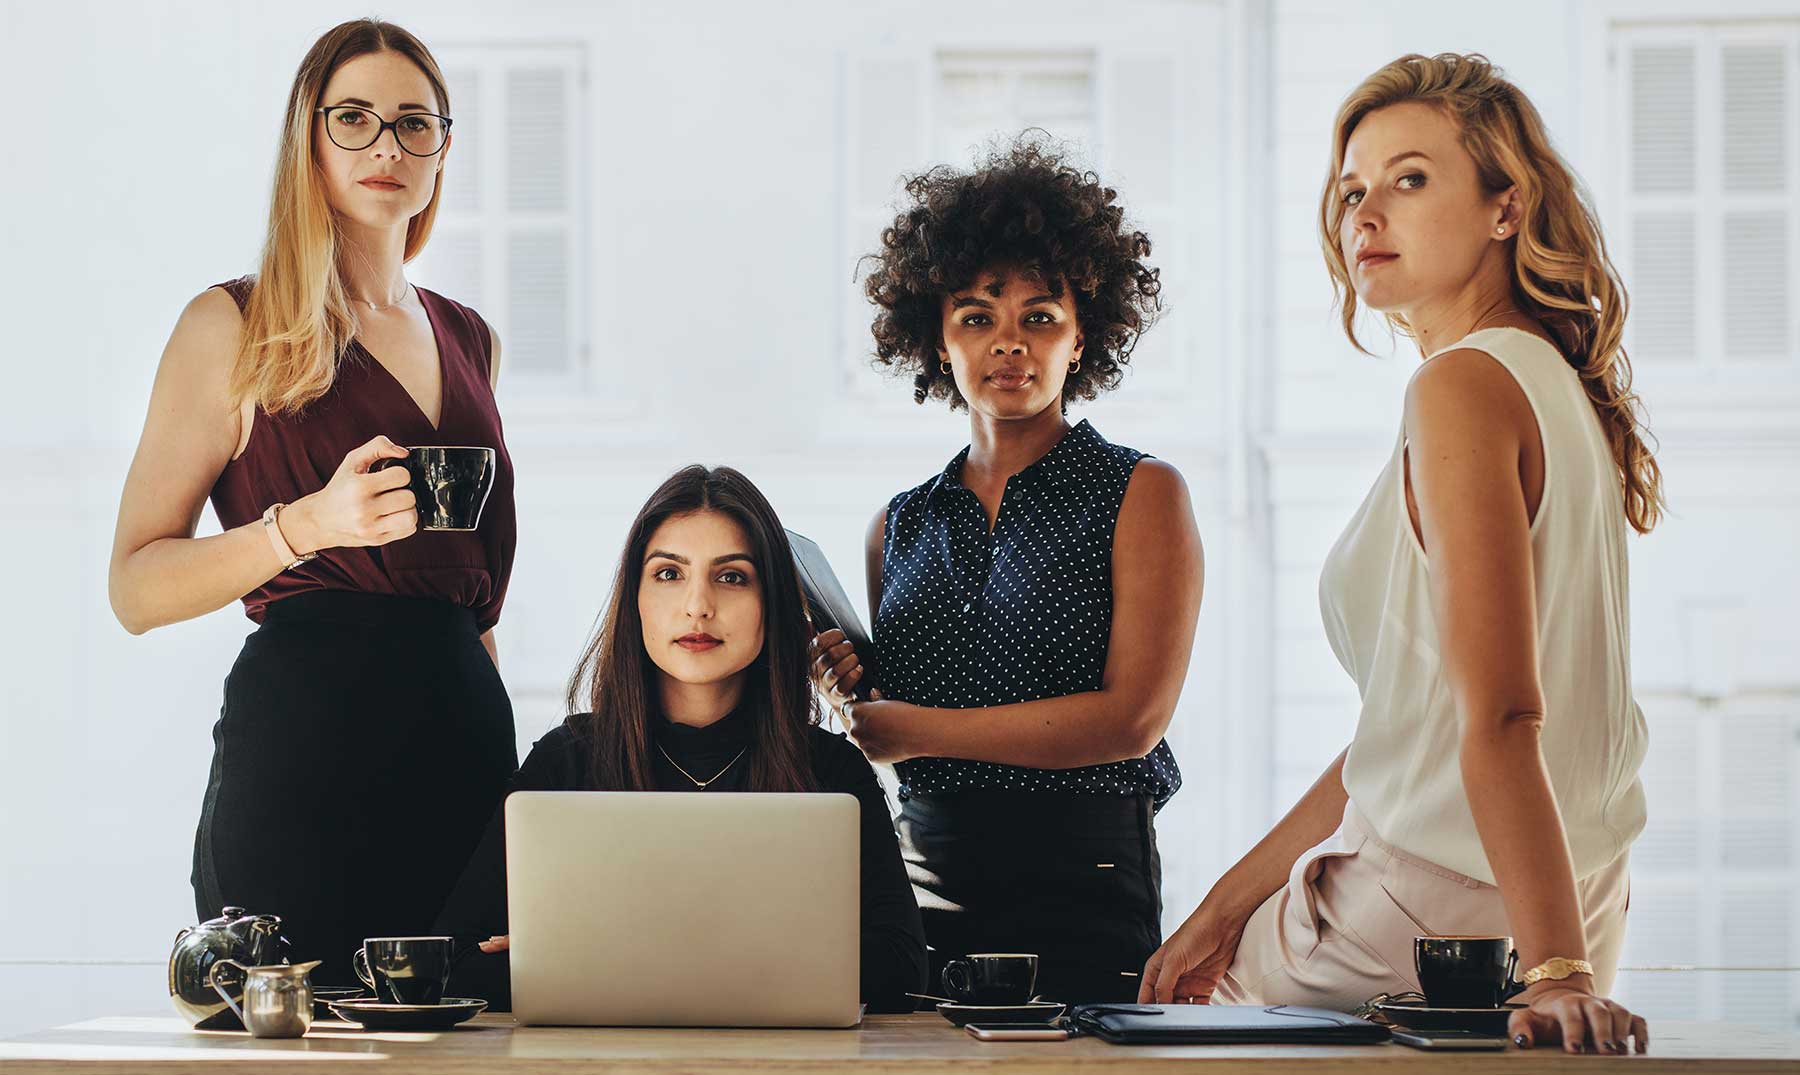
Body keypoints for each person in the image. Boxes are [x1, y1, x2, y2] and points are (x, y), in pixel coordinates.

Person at [1137, 53, 1656, 1057]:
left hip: (1424, 916)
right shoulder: (1555, 387)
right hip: (1572, 894)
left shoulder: (1460, 387)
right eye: (1353, 191)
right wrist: (1224, 904)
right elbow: (1410, 735)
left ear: (1508, 206)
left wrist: (1556, 976)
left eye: (1410, 179)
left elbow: (1502, 712)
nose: (1367, 213)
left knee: (1164, 1042)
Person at [107, 19, 515, 984]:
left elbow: (469, 590)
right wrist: (305, 527)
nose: (387, 146)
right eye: (356, 119)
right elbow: (134, 586)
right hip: (307, 748)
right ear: (310, 138)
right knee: (304, 1028)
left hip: (462, 738)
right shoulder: (233, 324)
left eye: (415, 123)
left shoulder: (471, 337)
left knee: (478, 1034)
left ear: (444, 147)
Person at [812, 137, 1205, 1005]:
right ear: (935, 337)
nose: (1009, 344)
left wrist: (915, 728)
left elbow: (1131, 720)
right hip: (924, 870)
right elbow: (913, 714)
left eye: (1040, 315)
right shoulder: (899, 523)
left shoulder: (1142, 493)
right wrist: (861, 692)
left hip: (1087, 873)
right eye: (977, 315)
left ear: (1083, 334)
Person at [437, 466, 928, 1012]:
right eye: (669, 574)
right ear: (636, 598)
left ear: (773, 604)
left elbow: (900, 969)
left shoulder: (831, 771)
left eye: (733, 576)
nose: (698, 605)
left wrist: (598, 958)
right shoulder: (565, 762)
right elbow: (454, 961)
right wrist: (757, 961)